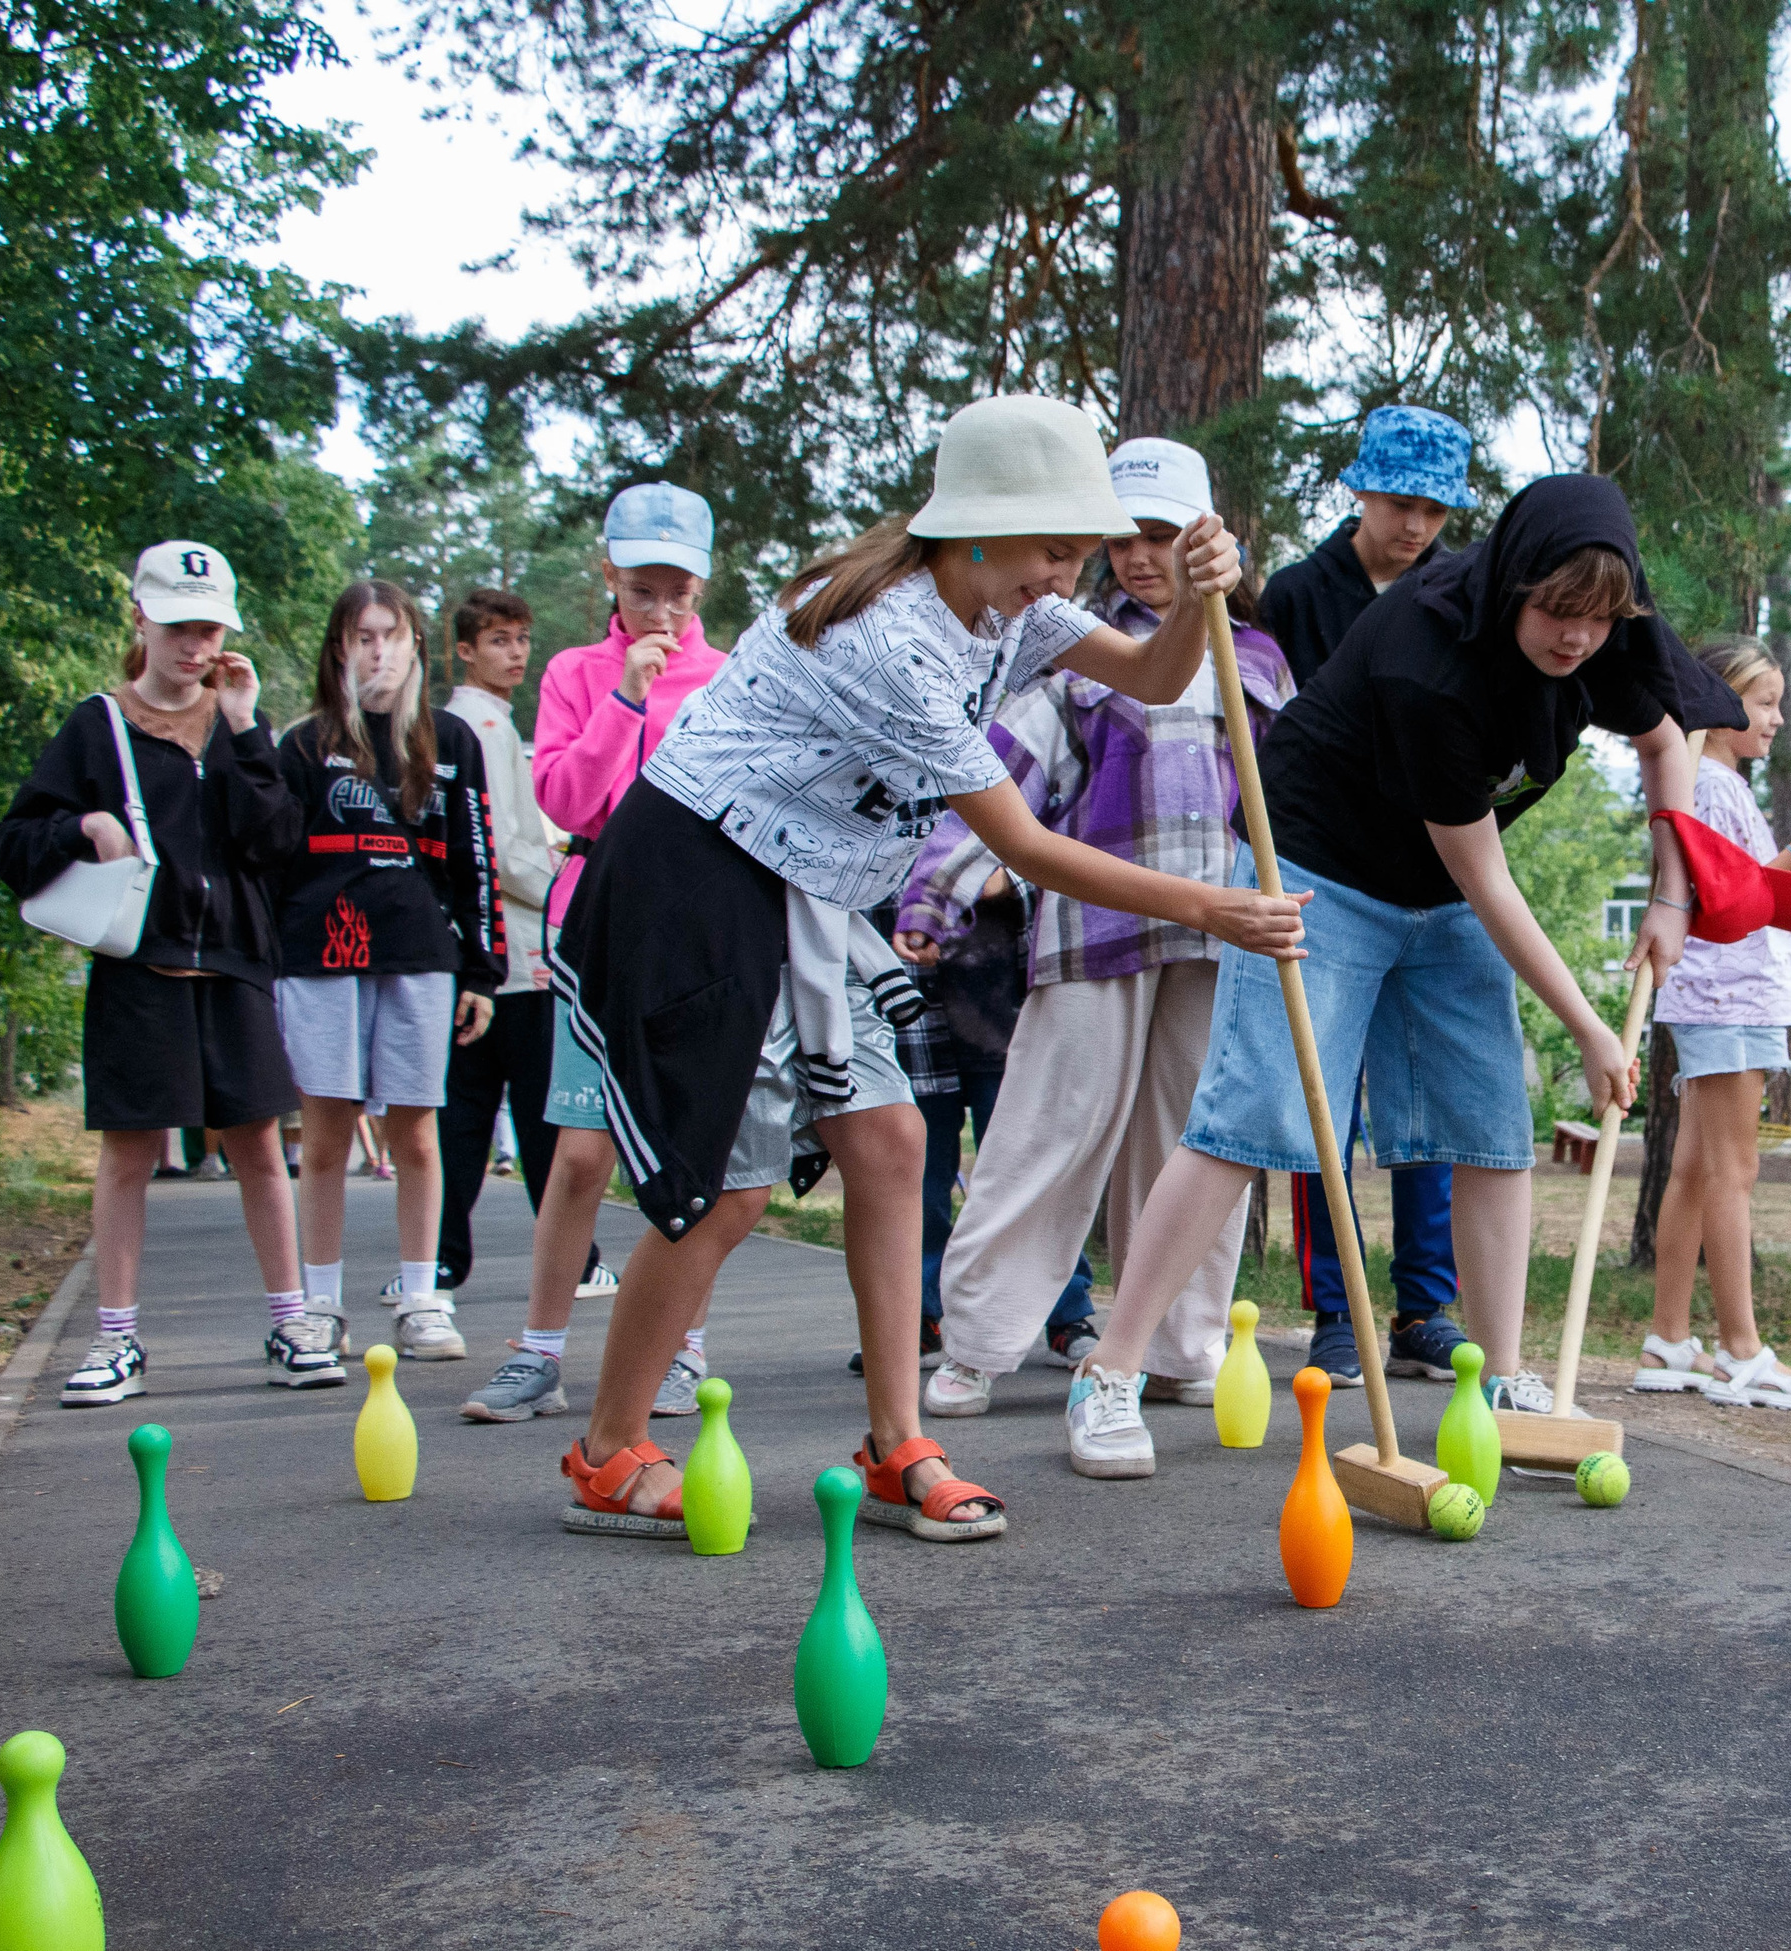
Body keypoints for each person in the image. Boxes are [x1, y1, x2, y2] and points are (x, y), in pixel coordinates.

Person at [549, 393, 1302, 1543]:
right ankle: (606, 1449)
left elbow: (1152, 676)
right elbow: (1025, 845)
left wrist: (1201, 596)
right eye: (1055, 546)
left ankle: (896, 1440)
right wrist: (1213, 905)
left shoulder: (1010, 605)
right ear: (980, 527)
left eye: (1079, 549)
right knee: (730, 1184)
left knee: (893, 1141)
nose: (1071, 570)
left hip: (808, 883)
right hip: (696, 871)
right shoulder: (889, 636)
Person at [1056, 473, 1741, 1481]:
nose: (1574, 641)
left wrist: (1670, 894)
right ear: (1513, 582)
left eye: (1596, 622)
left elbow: (1664, 738)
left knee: (1491, 1127)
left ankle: (1506, 1384)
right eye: (1555, 613)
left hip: (1444, 886)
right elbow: (1487, 876)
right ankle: (1109, 1371)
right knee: (1252, 1114)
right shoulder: (1430, 661)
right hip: (1321, 869)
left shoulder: (1607, 618)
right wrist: (1592, 1028)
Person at [895, 437, 1293, 1419]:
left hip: (1222, 933)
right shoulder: (1072, 645)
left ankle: (1177, 1341)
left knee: (1193, 1138)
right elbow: (1000, 774)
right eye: (1126, 539)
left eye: (1164, 537)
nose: (1141, 557)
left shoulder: (1256, 659)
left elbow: (1291, 798)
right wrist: (934, 892)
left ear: (1205, 539)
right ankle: (979, 1342)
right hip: (1093, 922)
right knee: (1047, 1127)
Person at [0, 541, 312, 1402]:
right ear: (141, 618)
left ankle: (292, 1320)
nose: (193, 646)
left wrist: (245, 728)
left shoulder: (242, 723)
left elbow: (276, 843)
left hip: (238, 964)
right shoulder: (95, 726)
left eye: (208, 628)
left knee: (256, 1144)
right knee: (129, 1150)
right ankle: (117, 1339)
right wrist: (85, 825)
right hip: (141, 966)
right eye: (176, 625)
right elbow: (12, 846)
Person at [461, 485, 726, 1425]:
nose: (661, 612)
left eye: (679, 592)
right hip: (596, 927)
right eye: (643, 588)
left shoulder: (731, 677)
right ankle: (538, 1353)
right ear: (609, 575)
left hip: (696, 936)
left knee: (690, 1153)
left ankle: (683, 1348)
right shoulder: (575, 673)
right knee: (580, 1155)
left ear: (702, 586)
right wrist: (627, 696)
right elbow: (568, 802)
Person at [1256, 404, 1477, 1390]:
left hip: (1428, 871)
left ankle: (1424, 1305)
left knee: (1423, 1097)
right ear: (1358, 488)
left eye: (1434, 508)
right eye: (1399, 502)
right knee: (1323, 1094)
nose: (1416, 525)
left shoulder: (1457, 593)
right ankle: (1338, 1311)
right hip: (1327, 873)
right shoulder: (1298, 595)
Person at [274, 579, 503, 1363]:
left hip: (419, 954)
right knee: (328, 1133)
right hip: (321, 957)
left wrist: (483, 970)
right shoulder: (301, 744)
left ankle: (421, 1296)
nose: (378, 651)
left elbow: (477, 861)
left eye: (391, 636)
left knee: (416, 1130)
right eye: (362, 637)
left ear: (416, 647)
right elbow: (272, 858)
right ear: (340, 647)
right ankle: (319, 1305)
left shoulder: (450, 741)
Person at [1631, 635, 1791, 1410]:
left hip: (1716, 999)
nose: (1776, 718)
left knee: (1698, 1168)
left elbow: (1743, 885)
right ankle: (1740, 1349)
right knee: (1735, 1169)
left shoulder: (1709, 781)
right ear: (1721, 703)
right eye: (1763, 702)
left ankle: (1669, 1335)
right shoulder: (1713, 783)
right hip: (1730, 998)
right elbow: (1732, 896)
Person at [858, 872, 1095, 1377]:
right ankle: (920, 1318)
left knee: (1035, 1175)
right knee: (914, 1184)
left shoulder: (1001, 790)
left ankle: (1067, 1314)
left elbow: (1057, 863)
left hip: (1005, 1020)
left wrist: (1007, 880)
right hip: (911, 1027)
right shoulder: (880, 799)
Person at [433, 589, 572, 1303]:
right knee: (538, 1114)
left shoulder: (482, 721)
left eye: (521, 638)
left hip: (479, 957)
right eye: (497, 640)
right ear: (464, 649)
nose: (514, 653)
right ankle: (571, 1259)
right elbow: (497, 846)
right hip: (515, 957)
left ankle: (439, 1259)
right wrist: (561, 882)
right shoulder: (479, 726)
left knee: (466, 1115)